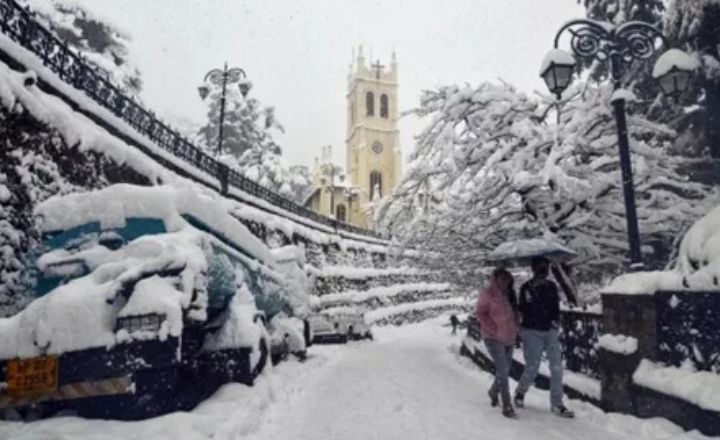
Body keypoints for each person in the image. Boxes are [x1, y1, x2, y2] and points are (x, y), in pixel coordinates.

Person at [514, 256, 575, 418]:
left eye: (546, 267)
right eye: (541, 267)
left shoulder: (552, 286)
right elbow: (522, 309)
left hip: (550, 331)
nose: (545, 270)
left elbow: (555, 307)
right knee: (532, 367)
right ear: (534, 269)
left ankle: (557, 403)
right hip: (531, 331)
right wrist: (529, 303)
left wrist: (555, 322)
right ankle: (520, 392)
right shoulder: (526, 287)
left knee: (556, 367)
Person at [476, 268, 519, 418]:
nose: (505, 282)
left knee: (505, 369)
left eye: (507, 279)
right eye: (501, 279)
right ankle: (507, 404)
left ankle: (493, 391)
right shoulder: (487, 294)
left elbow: (513, 313)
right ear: (495, 279)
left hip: (509, 337)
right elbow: (480, 313)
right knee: (503, 369)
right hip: (492, 337)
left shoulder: (510, 294)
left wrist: (517, 320)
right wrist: (492, 327)